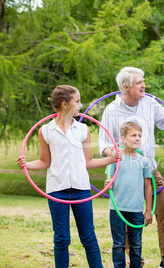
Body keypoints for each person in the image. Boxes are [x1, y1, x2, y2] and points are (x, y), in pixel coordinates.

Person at [16, 85, 121, 268]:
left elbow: (87, 162)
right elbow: (44, 162)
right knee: (62, 238)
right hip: (57, 191)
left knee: (88, 236)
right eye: (77, 101)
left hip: (81, 190)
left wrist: (111, 160)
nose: (81, 105)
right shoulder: (45, 131)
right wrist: (27, 165)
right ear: (65, 104)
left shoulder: (83, 130)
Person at [98, 67, 164, 267]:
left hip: (148, 168)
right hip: (124, 169)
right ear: (126, 86)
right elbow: (103, 144)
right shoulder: (112, 110)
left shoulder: (149, 103)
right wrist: (113, 153)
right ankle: (134, 260)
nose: (143, 85)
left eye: (143, 81)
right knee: (125, 214)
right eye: (139, 82)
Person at [104, 121, 153, 268]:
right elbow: (109, 182)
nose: (137, 138)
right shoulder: (115, 159)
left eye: (139, 135)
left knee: (136, 245)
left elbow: (148, 186)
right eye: (133, 135)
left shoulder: (143, 161)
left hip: (136, 209)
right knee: (118, 244)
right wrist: (108, 185)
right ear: (123, 139)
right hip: (117, 208)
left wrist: (148, 210)